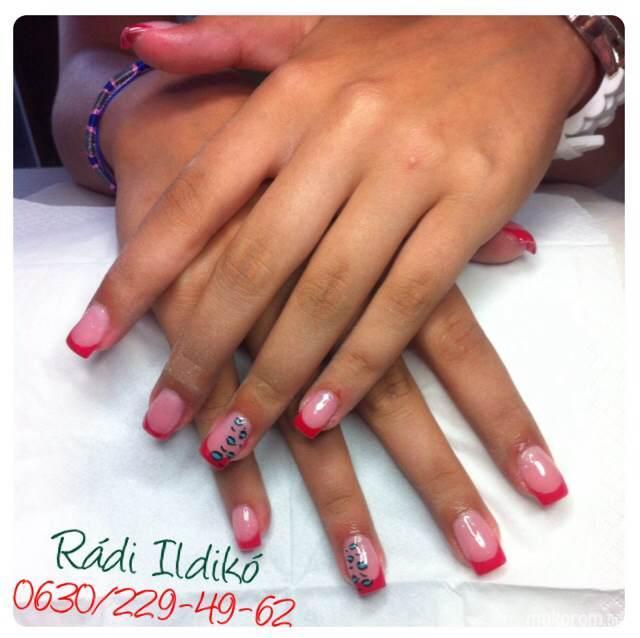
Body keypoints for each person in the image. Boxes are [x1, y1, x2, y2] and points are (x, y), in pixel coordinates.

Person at [53, 15, 622, 594]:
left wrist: (562, 43)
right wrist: (150, 109)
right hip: (194, 215)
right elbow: (79, 71)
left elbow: (609, 153)